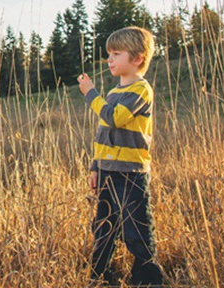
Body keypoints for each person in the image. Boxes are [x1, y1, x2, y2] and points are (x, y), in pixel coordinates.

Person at [78, 26, 165, 287]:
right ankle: (100, 275)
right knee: (104, 226)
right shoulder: (115, 92)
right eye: (109, 54)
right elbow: (103, 135)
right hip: (108, 170)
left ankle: (148, 279)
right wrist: (96, 167)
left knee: (136, 229)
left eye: (116, 53)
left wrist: (91, 94)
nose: (109, 59)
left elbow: (114, 118)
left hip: (130, 172)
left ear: (137, 59)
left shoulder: (140, 90)